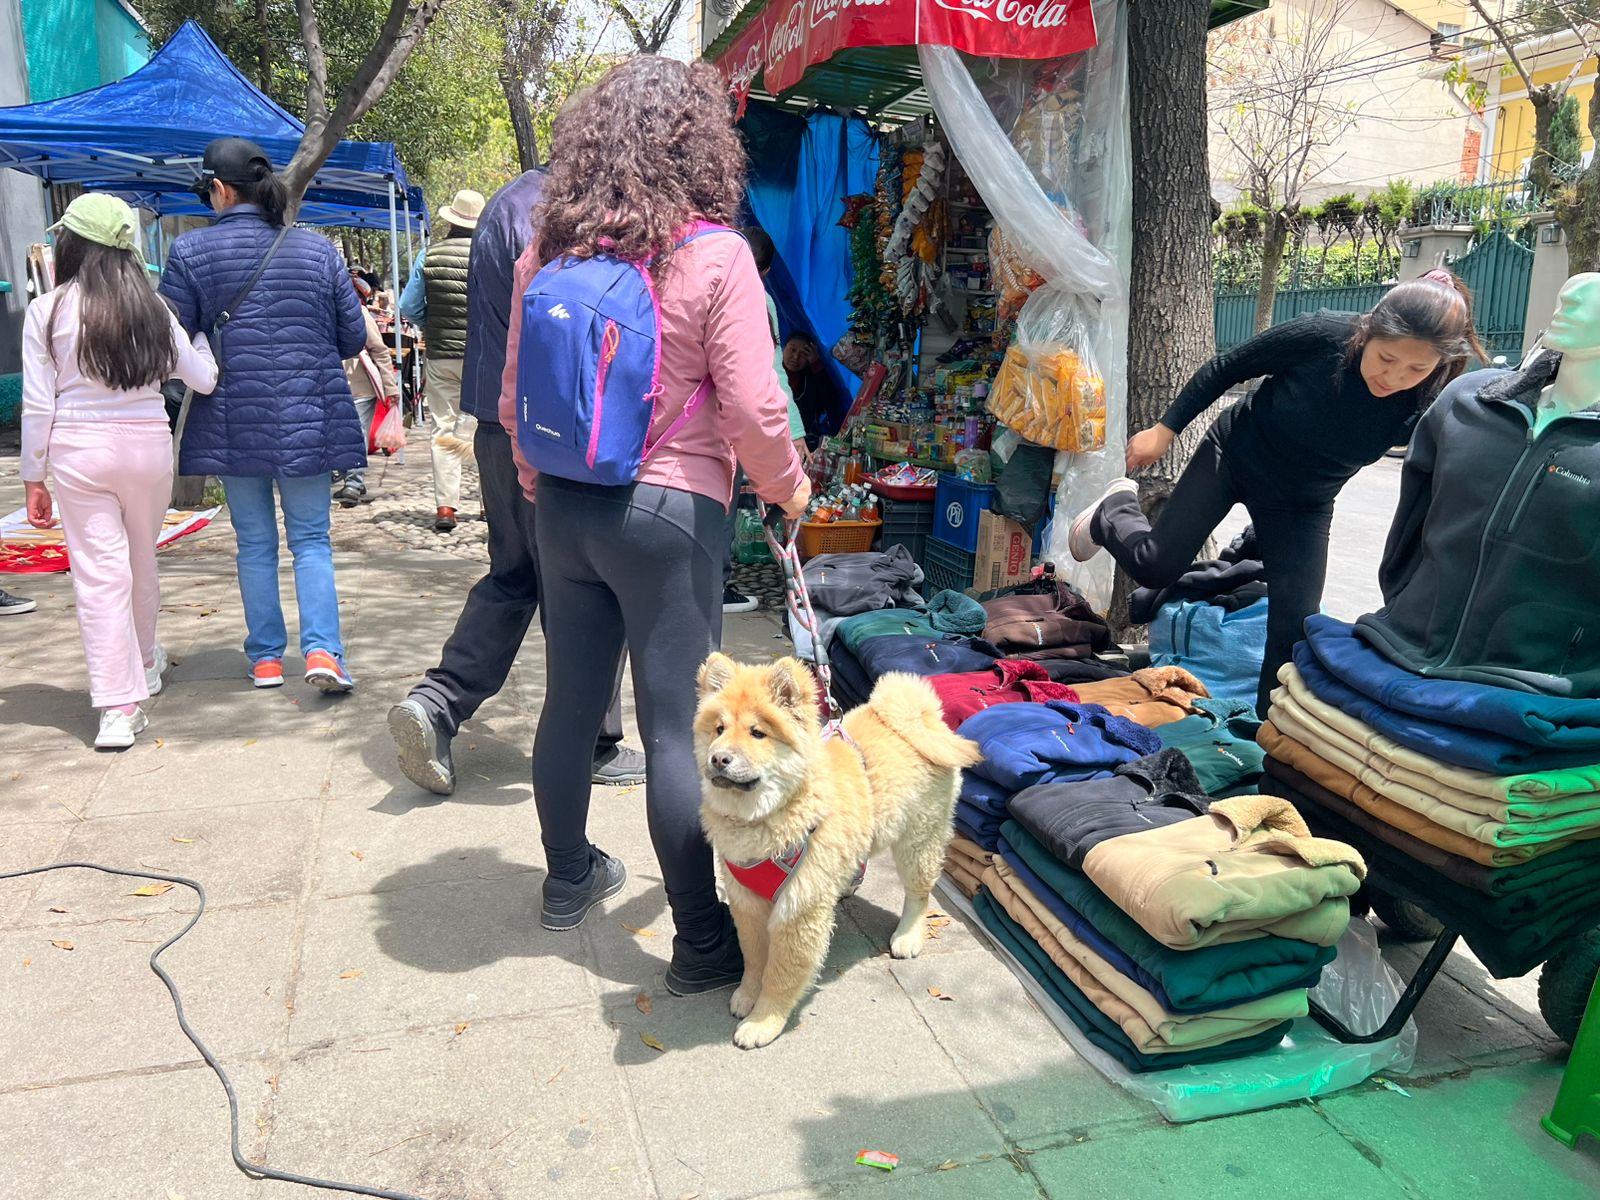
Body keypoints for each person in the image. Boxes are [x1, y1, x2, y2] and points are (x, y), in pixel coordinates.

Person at [507, 57, 809, 994]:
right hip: (669, 510)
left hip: (563, 507)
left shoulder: (547, 249)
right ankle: (702, 943)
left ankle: (567, 878)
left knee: (569, 699)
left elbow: (520, 393)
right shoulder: (711, 253)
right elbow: (757, 408)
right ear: (700, 147)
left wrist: (535, 484)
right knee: (680, 728)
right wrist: (788, 487)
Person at [1067, 270, 1486, 718]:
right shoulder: (1324, 335)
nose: (1395, 377)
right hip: (1234, 456)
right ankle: (1112, 511)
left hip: (1303, 501)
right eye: (1386, 358)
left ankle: (1265, 733)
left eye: (1416, 368)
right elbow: (1226, 367)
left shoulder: (1433, 394)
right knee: (1156, 565)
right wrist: (1164, 431)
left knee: (1295, 625)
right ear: (1367, 333)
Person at [388, 169, 646, 795]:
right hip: (562, 434)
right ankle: (594, 740)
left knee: (514, 575)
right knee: (584, 589)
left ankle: (437, 701)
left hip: (496, 423)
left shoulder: (506, 202)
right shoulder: (586, 206)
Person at [161, 136, 369, 693]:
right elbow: (352, 335)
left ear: (222, 190)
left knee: (254, 542)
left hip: (231, 419)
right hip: (308, 415)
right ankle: (323, 652)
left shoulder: (190, 255)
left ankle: (267, 660)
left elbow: (171, 340)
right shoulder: (319, 251)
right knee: (311, 540)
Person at [20, 194, 218, 748]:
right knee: (139, 562)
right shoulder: (155, 309)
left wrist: (32, 477)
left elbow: (39, 405)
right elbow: (201, 379)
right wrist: (202, 341)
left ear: (72, 244)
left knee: (100, 576)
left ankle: (117, 706)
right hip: (148, 451)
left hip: (78, 454)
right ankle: (147, 664)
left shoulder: (48, 309)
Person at [720, 226, 809, 616]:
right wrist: (795, 431)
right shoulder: (758, 299)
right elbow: (769, 373)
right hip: (730, 427)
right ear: (768, 270)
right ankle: (716, 585)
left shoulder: (699, 286)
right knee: (722, 501)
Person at [401, 189, 485, 532]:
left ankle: (446, 507)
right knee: (487, 429)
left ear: (450, 220)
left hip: (440, 357)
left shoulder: (429, 256)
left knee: (443, 427)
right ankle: (489, 505)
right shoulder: (489, 255)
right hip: (482, 358)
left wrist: (429, 323)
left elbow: (408, 306)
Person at [334, 296, 400, 507]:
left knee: (357, 432)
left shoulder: (358, 313)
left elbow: (378, 349)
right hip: (332, 383)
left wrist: (390, 386)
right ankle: (353, 478)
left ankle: (353, 482)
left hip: (360, 383)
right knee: (339, 434)